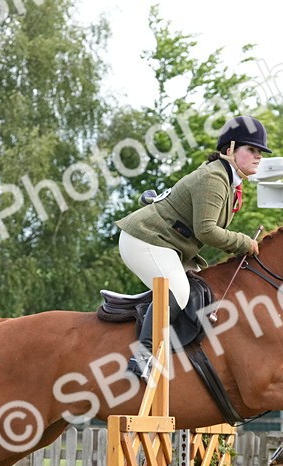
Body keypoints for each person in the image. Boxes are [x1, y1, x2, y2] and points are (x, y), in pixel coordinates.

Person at [114, 115, 270, 378]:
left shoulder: (228, 181)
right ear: (230, 149)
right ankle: (144, 357)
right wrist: (244, 242)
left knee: (202, 289)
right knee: (177, 291)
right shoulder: (214, 178)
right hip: (145, 239)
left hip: (169, 245)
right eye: (252, 149)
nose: (259, 157)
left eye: (260, 152)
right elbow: (206, 231)